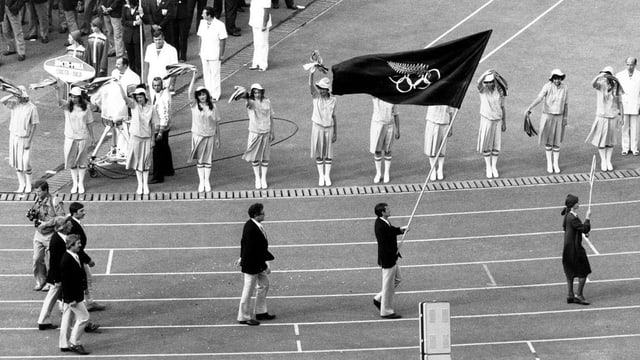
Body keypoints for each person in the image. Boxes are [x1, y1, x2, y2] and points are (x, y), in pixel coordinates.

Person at [235, 203, 275, 326]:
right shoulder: (251, 228)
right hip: (252, 265)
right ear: (256, 215)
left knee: (264, 285)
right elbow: (252, 250)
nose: (264, 214)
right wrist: (264, 265)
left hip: (256, 262)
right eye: (262, 213)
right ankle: (243, 317)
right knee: (248, 291)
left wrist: (241, 257)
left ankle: (261, 312)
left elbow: (244, 243)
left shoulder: (253, 225)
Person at [59, 234, 100, 355]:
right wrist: (71, 299)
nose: (80, 245)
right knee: (84, 317)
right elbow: (66, 282)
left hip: (75, 294)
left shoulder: (74, 256)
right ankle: (74, 342)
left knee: (67, 320)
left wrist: (84, 288)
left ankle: (65, 344)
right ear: (71, 245)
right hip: (72, 297)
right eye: (78, 244)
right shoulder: (66, 260)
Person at [525, 69, 569, 174]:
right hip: (548, 116)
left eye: (558, 78)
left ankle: (555, 164)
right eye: (555, 78)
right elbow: (539, 98)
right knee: (549, 141)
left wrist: (565, 118)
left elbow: (566, 104)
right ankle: (549, 163)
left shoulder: (565, 88)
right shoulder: (547, 86)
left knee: (557, 142)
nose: (557, 80)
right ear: (552, 79)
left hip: (559, 117)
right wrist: (530, 107)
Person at [118, 85, 158, 194]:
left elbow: (153, 125)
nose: (139, 99)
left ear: (145, 97)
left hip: (147, 138)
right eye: (137, 97)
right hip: (135, 138)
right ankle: (140, 184)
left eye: (141, 97)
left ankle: (145, 184)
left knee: (145, 162)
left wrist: (153, 139)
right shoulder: (134, 106)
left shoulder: (151, 108)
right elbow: (124, 97)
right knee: (136, 161)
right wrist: (119, 85)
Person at [56, 86, 95, 194]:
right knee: (72, 162)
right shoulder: (67, 107)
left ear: (80, 97)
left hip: (82, 137)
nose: (73, 99)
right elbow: (59, 101)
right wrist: (58, 89)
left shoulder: (86, 107)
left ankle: (81, 183)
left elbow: (89, 123)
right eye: (72, 96)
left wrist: (93, 137)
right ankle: (75, 183)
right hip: (70, 137)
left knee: (82, 162)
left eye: (76, 97)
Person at [28, 180, 66, 291]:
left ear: (46, 190)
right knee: (37, 258)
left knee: (52, 260)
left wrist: (47, 223)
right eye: (36, 192)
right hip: (39, 233)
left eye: (39, 192)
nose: (37, 194)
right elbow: (36, 213)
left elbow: (61, 218)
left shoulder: (55, 201)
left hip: (51, 234)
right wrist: (32, 215)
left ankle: (51, 281)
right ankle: (41, 280)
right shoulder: (37, 200)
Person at [68, 202, 106, 311]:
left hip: (78, 256)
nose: (84, 213)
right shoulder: (73, 226)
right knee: (85, 278)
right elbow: (75, 247)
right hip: (77, 257)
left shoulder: (74, 222)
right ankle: (86, 302)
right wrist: (88, 260)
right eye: (81, 211)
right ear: (75, 213)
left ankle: (89, 301)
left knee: (87, 278)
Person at [372, 202, 407, 319]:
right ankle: (386, 310)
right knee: (388, 285)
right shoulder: (380, 225)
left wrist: (401, 230)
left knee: (397, 279)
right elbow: (387, 237)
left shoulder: (384, 222)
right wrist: (393, 254)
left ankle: (379, 298)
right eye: (387, 209)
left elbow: (391, 230)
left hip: (392, 257)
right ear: (382, 212)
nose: (389, 210)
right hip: (388, 259)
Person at [236, 83, 274, 189]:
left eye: (259, 92)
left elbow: (270, 117)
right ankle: (257, 177)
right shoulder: (251, 102)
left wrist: (272, 131)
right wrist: (245, 96)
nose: (257, 94)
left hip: (266, 132)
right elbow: (248, 103)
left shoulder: (267, 101)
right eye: (255, 92)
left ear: (262, 92)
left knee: (265, 157)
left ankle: (263, 178)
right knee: (255, 157)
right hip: (254, 132)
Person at [187, 71, 220, 192]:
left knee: (208, 159)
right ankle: (201, 181)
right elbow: (189, 92)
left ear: (207, 95)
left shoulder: (213, 107)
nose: (202, 97)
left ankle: (207, 181)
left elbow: (217, 123)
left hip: (210, 136)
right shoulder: (194, 105)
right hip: (198, 136)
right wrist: (193, 77)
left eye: (203, 94)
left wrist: (218, 138)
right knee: (200, 160)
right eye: (199, 95)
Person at [585, 66, 623, 172]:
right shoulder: (600, 84)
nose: (606, 76)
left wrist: (621, 116)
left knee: (610, 141)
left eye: (607, 74)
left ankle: (608, 161)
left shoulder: (616, 86)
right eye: (604, 74)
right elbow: (592, 84)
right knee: (601, 141)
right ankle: (603, 161)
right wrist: (600, 75)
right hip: (601, 117)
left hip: (613, 117)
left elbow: (620, 102)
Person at [36, 216, 71, 331]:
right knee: (55, 297)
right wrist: (56, 278)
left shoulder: (60, 237)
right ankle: (43, 320)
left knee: (52, 297)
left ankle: (43, 320)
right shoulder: (57, 241)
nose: (71, 225)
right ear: (63, 227)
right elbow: (54, 261)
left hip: (58, 275)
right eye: (68, 224)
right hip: (58, 276)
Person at [2, 86, 39, 193]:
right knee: (16, 161)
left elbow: (34, 125)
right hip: (14, 137)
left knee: (26, 162)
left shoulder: (32, 108)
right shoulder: (15, 104)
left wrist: (29, 140)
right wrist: (13, 94)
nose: (22, 98)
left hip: (25, 138)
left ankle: (28, 184)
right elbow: (2, 101)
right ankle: (21, 184)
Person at [561, 194, 592, 305]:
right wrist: (588, 217)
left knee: (570, 272)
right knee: (584, 272)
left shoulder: (567, 215)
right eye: (577, 202)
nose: (579, 203)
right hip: (576, 250)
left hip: (567, 249)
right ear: (573, 205)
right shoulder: (573, 218)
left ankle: (570, 295)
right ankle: (579, 295)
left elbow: (569, 228)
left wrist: (581, 232)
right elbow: (584, 228)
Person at [309, 68, 337, 186]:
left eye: (323, 90)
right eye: (320, 89)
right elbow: (310, 85)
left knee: (328, 153)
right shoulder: (316, 97)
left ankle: (327, 176)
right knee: (319, 153)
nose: (321, 91)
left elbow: (334, 116)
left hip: (329, 128)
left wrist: (336, 132)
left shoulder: (333, 100)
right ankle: (321, 176)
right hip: (318, 127)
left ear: (327, 90)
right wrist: (311, 72)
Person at [477, 70, 507, 178]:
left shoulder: (500, 92)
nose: (489, 84)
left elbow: (503, 107)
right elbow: (478, 83)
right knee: (486, 144)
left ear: (494, 82)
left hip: (497, 120)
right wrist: (486, 73)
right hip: (486, 120)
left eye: (491, 82)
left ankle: (494, 166)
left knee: (496, 144)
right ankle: (488, 166)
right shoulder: (482, 91)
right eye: (487, 82)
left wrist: (504, 122)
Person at [197, 6, 227, 101]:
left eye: (204, 13)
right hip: (204, 53)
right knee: (206, 74)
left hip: (214, 54)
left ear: (209, 15)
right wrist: (199, 50)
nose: (202, 15)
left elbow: (223, 40)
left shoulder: (220, 25)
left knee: (215, 74)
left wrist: (221, 54)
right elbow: (200, 37)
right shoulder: (202, 23)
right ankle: (208, 93)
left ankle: (215, 94)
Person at [149, 76, 175, 184]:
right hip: (165, 127)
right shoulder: (163, 94)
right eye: (154, 85)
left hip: (160, 127)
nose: (156, 87)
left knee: (157, 153)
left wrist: (160, 132)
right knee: (165, 148)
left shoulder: (162, 98)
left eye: (158, 85)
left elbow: (164, 115)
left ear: (161, 85)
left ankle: (158, 176)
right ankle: (168, 170)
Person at [369, 97, 399, 184]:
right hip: (378, 125)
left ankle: (386, 173)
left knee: (388, 150)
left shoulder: (393, 98)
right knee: (377, 151)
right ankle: (378, 173)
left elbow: (396, 114)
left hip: (389, 125)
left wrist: (398, 129)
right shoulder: (376, 97)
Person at [616, 57, 640, 156]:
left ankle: (634, 148)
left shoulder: (639, 75)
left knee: (635, 128)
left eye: (631, 64)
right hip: (624, 105)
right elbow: (617, 92)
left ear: (635, 65)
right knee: (624, 127)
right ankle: (625, 148)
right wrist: (618, 108)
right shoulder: (619, 75)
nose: (629, 66)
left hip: (636, 104)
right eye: (627, 64)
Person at [424, 105, 455, 181]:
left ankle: (440, 169)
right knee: (431, 148)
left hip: (444, 123)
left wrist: (451, 126)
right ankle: (433, 169)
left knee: (442, 149)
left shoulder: (449, 95)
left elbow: (450, 111)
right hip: (432, 122)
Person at [121, 0, 144, 76]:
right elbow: (123, 22)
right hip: (128, 37)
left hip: (137, 37)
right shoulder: (125, 8)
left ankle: (139, 75)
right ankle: (132, 75)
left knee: (138, 59)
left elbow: (146, 20)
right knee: (130, 59)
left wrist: (142, 14)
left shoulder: (140, 7)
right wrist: (134, 23)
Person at [248, 0, 271, 71]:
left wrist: (264, 24)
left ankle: (263, 65)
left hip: (261, 24)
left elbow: (266, 11)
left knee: (263, 44)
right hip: (254, 22)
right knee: (256, 43)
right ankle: (256, 63)